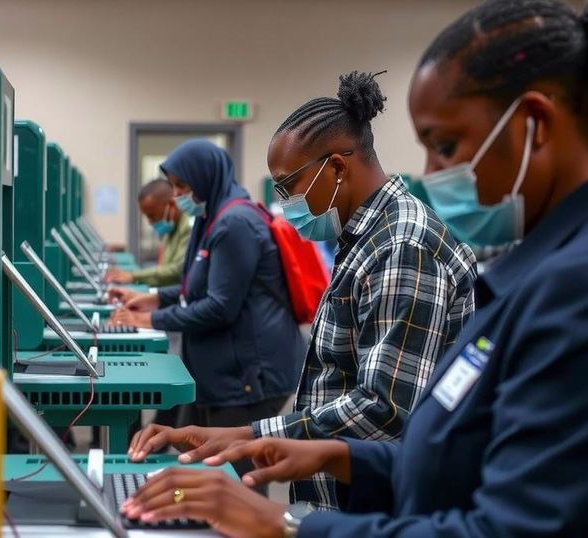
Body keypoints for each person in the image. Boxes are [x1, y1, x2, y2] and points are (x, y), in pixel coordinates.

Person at [121, 0, 588, 535]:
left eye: (445, 146)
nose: (431, 171)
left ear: (535, 125)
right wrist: (290, 445)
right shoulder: (558, 259)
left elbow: (502, 519)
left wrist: (286, 524)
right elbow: (456, 451)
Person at [127, 72, 478, 512]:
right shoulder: (367, 235)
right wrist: (250, 436)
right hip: (348, 494)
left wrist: (252, 436)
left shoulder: (401, 246)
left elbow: (384, 411)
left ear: (335, 168)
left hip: (378, 505)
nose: (284, 201)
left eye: (287, 185)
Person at [109, 140, 306, 478]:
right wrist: (155, 298)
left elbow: (219, 307)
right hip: (225, 373)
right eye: (173, 186)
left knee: (236, 480)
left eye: (182, 186)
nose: (176, 195)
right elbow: (196, 287)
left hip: (249, 379)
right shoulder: (212, 218)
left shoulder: (235, 224)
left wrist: (149, 319)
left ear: (206, 178)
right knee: (202, 468)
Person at [104, 178, 191, 286]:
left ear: (170, 205)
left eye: (151, 215)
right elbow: (163, 272)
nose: (150, 222)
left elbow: (176, 270)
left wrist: (134, 276)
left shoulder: (188, 227)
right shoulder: (171, 227)